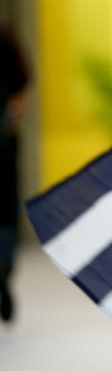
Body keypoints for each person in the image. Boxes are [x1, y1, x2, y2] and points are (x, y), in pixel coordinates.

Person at [0, 22, 29, 323]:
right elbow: (22, 88)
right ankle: (3, 271)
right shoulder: (6, 36)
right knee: (5, 214)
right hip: (4, 143)